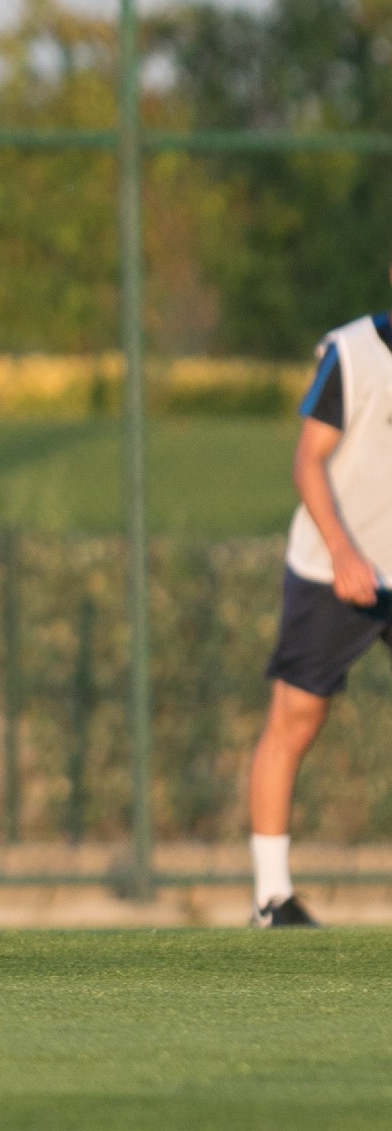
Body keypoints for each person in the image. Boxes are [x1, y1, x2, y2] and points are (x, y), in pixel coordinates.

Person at [248, 278, 392, 929]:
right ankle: (271, 898)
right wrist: (341, 553)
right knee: (296, 720)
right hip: (333, 567)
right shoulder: (354, 354)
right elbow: (309, 461)